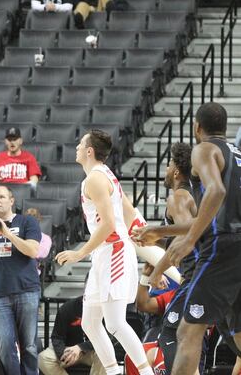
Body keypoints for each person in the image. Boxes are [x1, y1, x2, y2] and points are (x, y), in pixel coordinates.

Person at [56, 130, 154, 375]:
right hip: (103, 255)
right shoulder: (101, 176)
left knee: (115, 323)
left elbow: (109, 225)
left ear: (89, 151)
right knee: (90, 323)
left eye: (80, 144)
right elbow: (129, 213)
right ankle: (113, 372)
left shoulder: (96, 179)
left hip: (115, 252)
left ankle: (146, 373)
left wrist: (79, 253)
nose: (77, 147)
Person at [159, 103, 241, 375]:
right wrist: (159, 232)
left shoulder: (204, 149)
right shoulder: (238, 155)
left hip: (223, 247)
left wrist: (190, 239)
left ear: (197, 127)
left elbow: (215, 192)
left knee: (186, 331)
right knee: (238, 335)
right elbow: (212, 211)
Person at [132, 142, 204, 373]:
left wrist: (157, 270)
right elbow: (183, 236)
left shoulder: (178, 197)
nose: (165, 169)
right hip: (201, 273)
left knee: (170, 333)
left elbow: (188, 235)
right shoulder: (187, 196)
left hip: (195, 275)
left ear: (175, 171)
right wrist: (156, 240)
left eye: (168, 164)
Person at [0, 185, 42, 375]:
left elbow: (32, 250)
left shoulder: (26, 221)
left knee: (28, 345)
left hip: (26, 291)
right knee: (5, 345)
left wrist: (7, 233)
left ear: (11, 201)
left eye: (2, 196)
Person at [38, 297, 105, 375]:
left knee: (105, 355)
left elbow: (107, 338)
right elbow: (57, 337)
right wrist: (63, 354)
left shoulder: (104, 309)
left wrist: (80, 347)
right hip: (68, 349)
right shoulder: (67, 308)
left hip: (91, 350)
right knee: (43, 358)